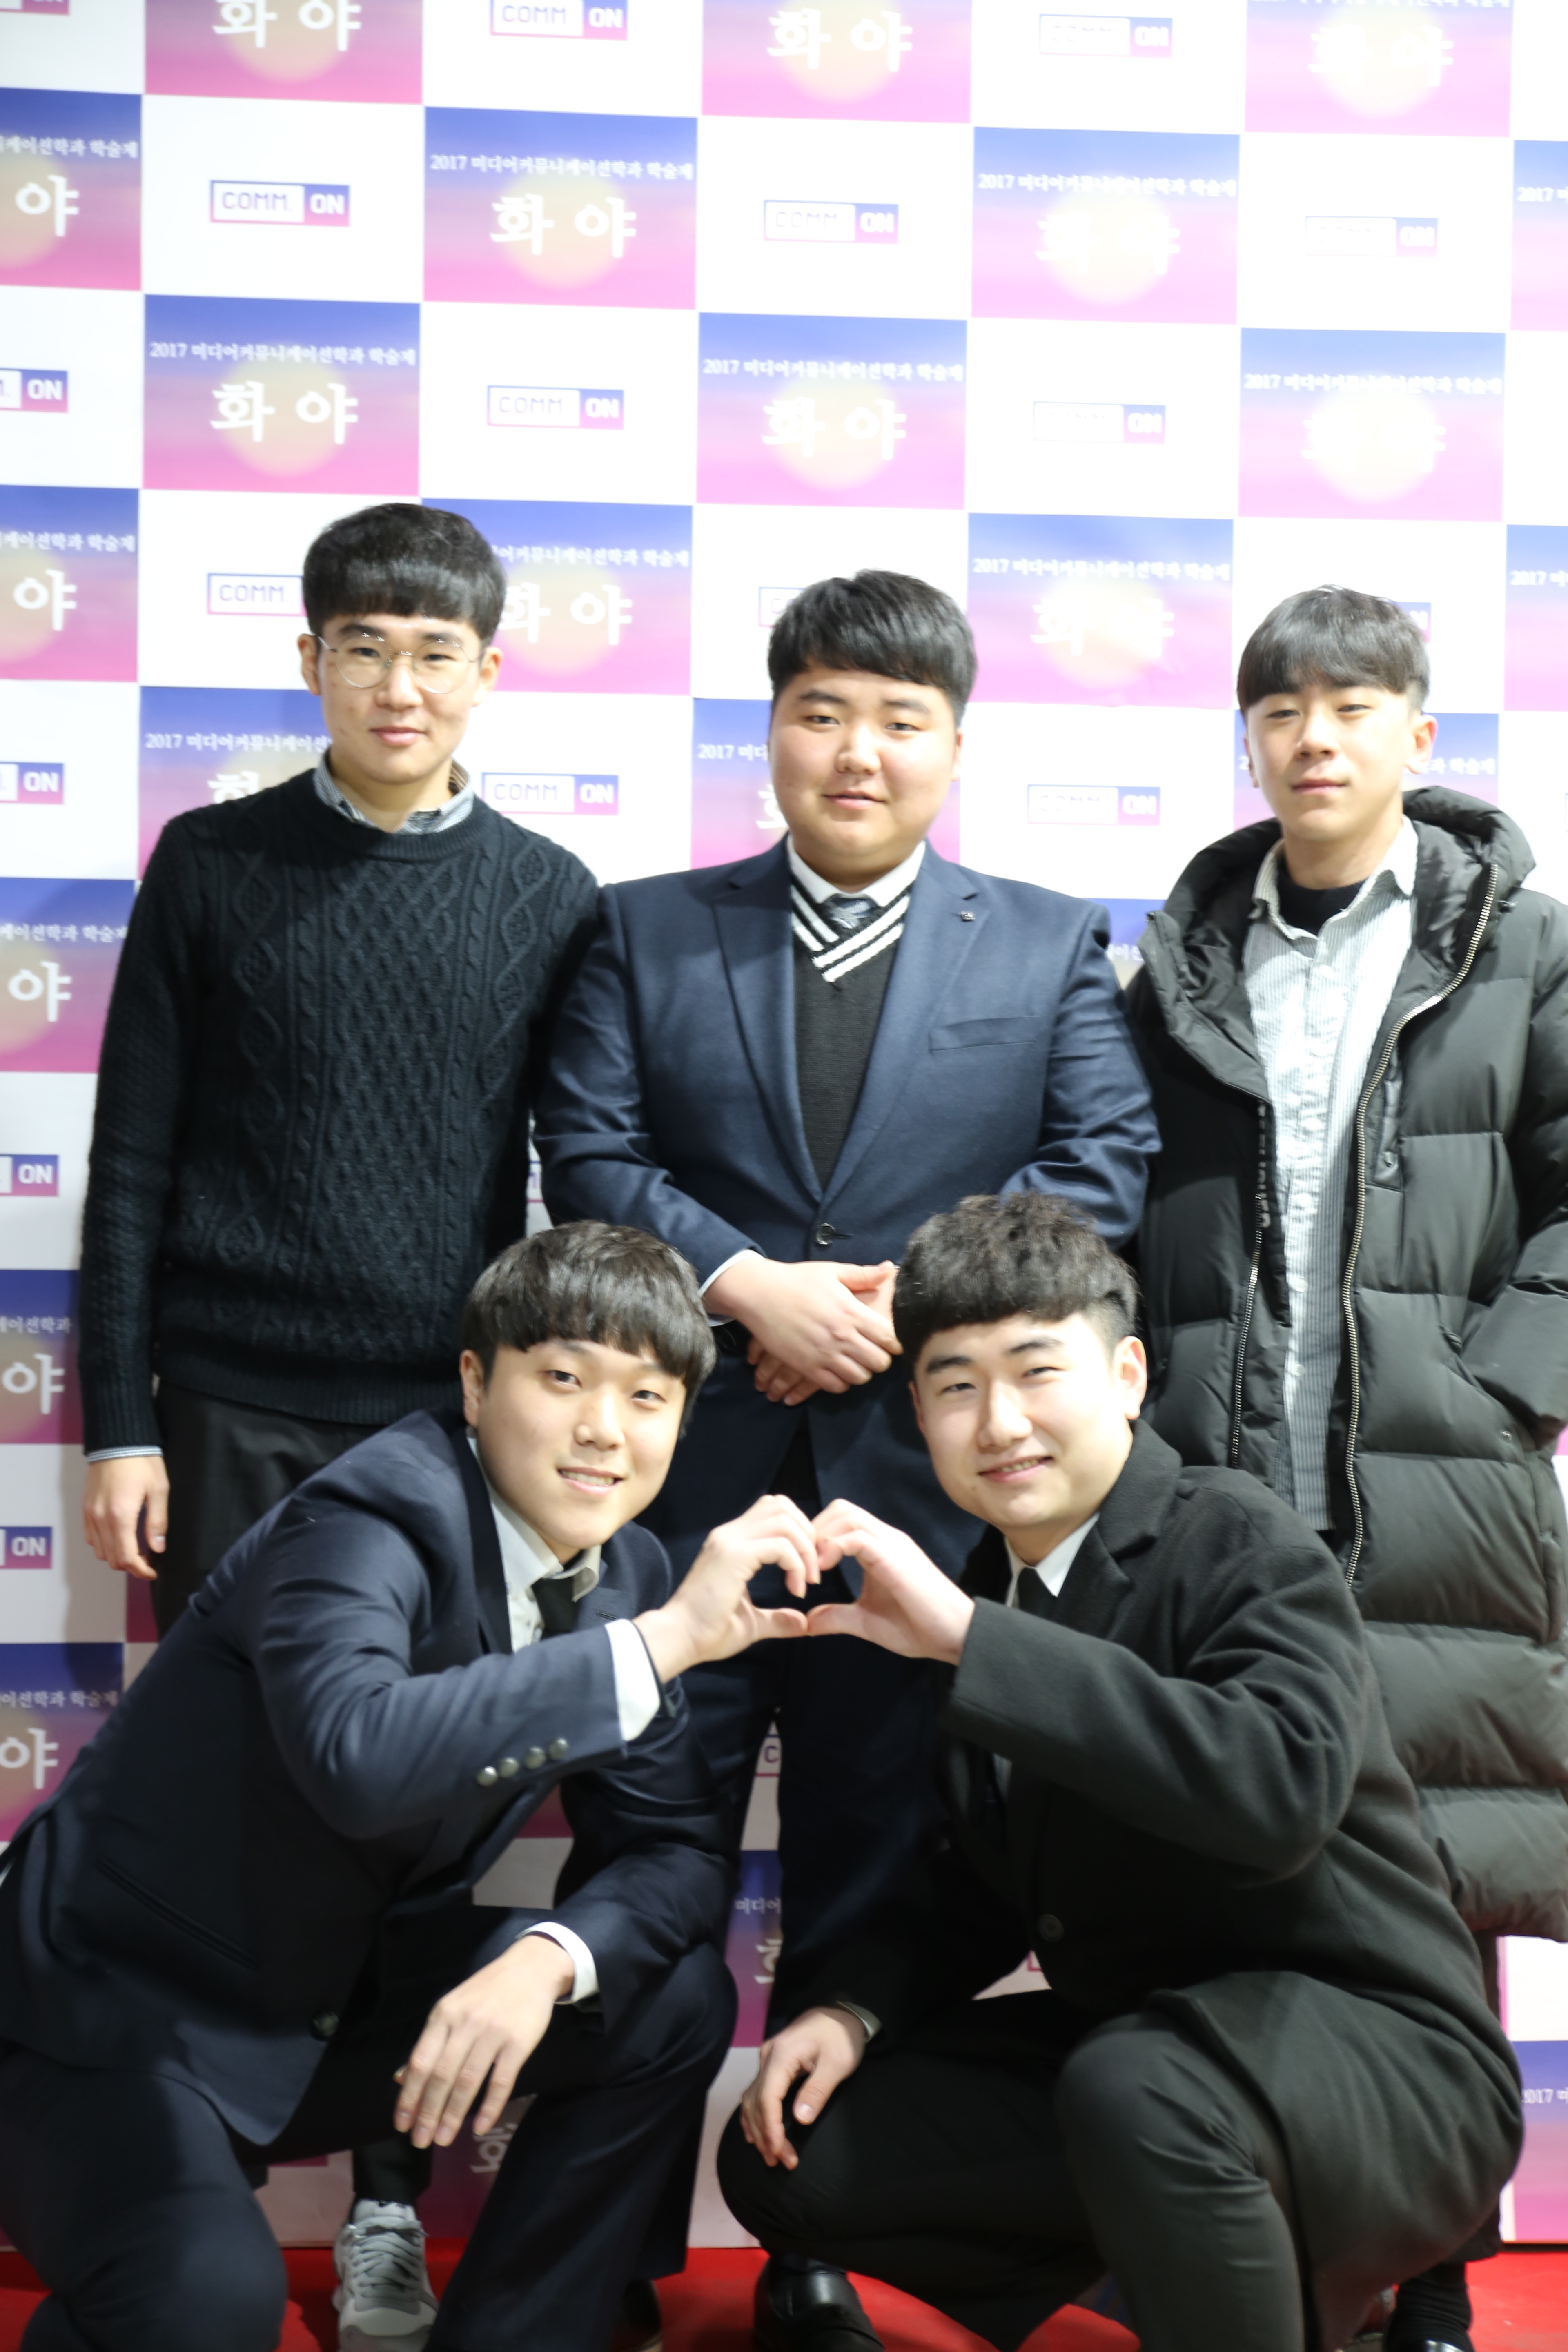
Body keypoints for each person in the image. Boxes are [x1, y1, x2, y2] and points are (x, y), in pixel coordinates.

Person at [535, 572, 1157, 2352]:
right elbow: (590, 1147)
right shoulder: (646, 930)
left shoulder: (1045, 942)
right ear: (772, 730)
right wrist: (748, 1284)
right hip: (680, 1488)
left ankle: (809, 2240)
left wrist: (899, 1297)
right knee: (645, 1845)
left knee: (877, 1855)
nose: (857, 751)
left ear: (955, 745)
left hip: (922, 1488)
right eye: (822, 712)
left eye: (899, 719)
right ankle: (595, 2257)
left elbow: (1099, 1166)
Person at [75, 500, 600, 2330]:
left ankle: (386, 2197)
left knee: (419, 1812)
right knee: (232, 1801)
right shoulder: (212, 863)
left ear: (489, 672)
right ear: (308, 660)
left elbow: (570, 1175)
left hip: (439, 1429)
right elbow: (129, 1164)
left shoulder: (548, 893)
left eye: (435, 652)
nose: (398, 684)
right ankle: (183, 2177)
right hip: (228, 1405)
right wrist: (119, 1425)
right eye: (362, 647)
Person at [0, 1222, 827, 2352]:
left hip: (323, 2003)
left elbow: (676, 1851)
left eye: (647, 1397)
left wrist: (547, 1961)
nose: (603, 1429)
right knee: (204, 2304)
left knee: (669, 1996)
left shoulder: (628, 1570)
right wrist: (664, 1644)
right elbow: (358, 1758)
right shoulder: (368, 1514)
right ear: (477, 1384)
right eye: (565, 1378)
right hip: (109, 2013)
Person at [718, 1193, 1523, 2352]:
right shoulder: (980, 1583)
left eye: (1037, 1372)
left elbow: (1278, 1793)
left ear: (1130, 1376)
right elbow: (982, 1879)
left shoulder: (1235, 1536)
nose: (1001, 1423)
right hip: (1152, 2059)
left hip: (1383, 2060)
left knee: (1136, 2092)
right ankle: (1215, 2268)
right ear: (919, 1413)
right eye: (956, 1386)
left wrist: (974, 1644)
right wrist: (852, 2009)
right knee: (792, 2155)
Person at [1123, 585, 1568, 2350]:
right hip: (1222, 1486)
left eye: (1354, 705)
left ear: (1419, 733)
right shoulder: (1182, 957)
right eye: (1283, 709)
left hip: (1433, 1489)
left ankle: (1436, 2273)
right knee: (1228, 1867)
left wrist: (1496, 1388)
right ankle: (1266, 2255)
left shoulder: (1522, 946)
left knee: (1431, 1886)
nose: (1316, 738)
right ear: (1250, 738)